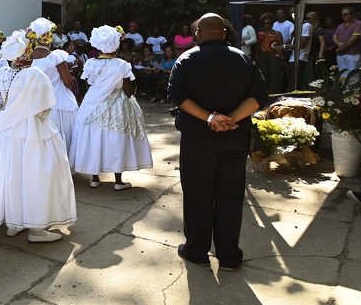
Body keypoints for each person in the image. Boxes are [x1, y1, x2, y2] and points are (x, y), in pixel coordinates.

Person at [168, 13, 269, 272]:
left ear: (197, 33)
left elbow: (177, 95)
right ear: (224, 33)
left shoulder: (186, 58)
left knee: (198, 192)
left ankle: (197, 251)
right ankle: (229, 256)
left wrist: (210, 118)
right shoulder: (244, 58)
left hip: (198, 139)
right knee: (231, 195)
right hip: (235, 137)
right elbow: (259, 96)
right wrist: (230, 119)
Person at [0, 52, 77, 243]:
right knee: (36, 176)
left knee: (11, 175)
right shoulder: (34, 74)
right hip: (33, 130)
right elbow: (44, 110)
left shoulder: (2, 74)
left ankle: (15, 223)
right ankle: (36, 229)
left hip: (4, 131)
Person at [70, 25, 153, 190]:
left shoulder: (91, 64)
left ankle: (94, 178)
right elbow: (128, 90)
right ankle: (118, 181)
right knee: (116, 140)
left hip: (93, 105)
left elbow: (88, 85)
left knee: (95, 138)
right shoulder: (121, 64)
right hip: (117, 104)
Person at [29, 17, 78, 153]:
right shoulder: (55, 57)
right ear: (49, 36)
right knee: (61, 133)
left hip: (35, 102)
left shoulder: (27, 58)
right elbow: (68, 82)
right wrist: (72, 78)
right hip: (58, 101)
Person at [256, 13, 284, 94]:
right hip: (263, 55)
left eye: (268, 23)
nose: (266, 25)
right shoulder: (260, 34)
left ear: (271, 24)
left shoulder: (277, 33)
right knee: (264, 75)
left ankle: (276, 93)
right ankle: (266, 93)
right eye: (264, 23)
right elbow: (258, 45)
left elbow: (280, 45)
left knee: (275, 75)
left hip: (273, 54)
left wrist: (280, 54)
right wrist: (257, 55)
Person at [333, 6, 361, 72]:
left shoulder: (358, 23)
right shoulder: (341, 25)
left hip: (353, 53)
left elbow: (355, 37)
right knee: (342, 76)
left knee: (353, 75)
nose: (343, 16)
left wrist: (343, 47)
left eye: (345, 14)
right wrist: (339, 44)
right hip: (341, 53)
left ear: (352, 14)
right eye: (342, 14)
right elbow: (334, 36)